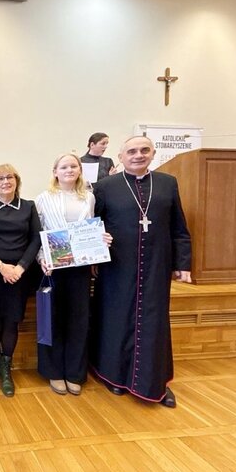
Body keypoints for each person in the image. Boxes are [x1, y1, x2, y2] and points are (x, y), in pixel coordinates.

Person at [90, 135, 192, 408]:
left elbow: (179, 227)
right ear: (121, 157)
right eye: (132, 151)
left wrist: (183, 264)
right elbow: (93, 225)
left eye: (144, 150)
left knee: (154, 322)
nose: (138, 155)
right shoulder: (105, 187)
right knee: (115, 318)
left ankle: (156, 381)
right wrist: (95, 248)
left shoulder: (167, 183)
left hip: (156, 265)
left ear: (153, 153)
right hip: (117, 265)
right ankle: (113, 375)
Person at [35, 154, 110, 396]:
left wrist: (101, 240)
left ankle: (75, 373)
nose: (69, 170)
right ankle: (54, 371)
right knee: (53, 319)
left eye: (73, 166)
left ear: (80, 170)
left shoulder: (88, 197)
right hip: (53, 267)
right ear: (55, 171)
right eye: (64, 166)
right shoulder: (43, 199)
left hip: (80, 268)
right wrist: (42, 259)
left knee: (79, 320)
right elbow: (37, 234)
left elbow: (91, 229)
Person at [0, 164, 41, 397]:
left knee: (11, 322)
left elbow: (36, 240)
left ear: (16, 181)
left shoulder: (28, 207)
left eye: (9, 177)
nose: (5, 181)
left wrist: (20, 267)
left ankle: (6, 367)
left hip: (19, 275)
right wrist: (0, 266)